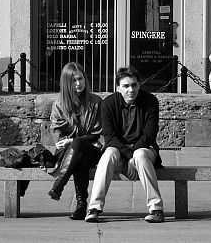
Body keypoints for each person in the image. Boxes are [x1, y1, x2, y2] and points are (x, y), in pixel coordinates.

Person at [85, 66, 164, 224]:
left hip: (144, 148)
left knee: (140, 155)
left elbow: (149, 136)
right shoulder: (108, 103)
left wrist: (133, 155)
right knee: (107, 155)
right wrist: (128, 156)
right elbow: (109, 137)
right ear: (118, 88)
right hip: (118, 149)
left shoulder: (150, 102)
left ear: (139, 85)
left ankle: (156, 208)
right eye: (126, 86)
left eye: (134, 85)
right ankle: (94, 208)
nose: (131, 90)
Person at [48, 61, 103, 219]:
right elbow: (58, 139)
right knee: (79, 155)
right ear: (66, 83)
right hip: (67, 155)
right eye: (74, 80)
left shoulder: (96, 102)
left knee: (78, 145)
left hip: (92, 151)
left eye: (81, 78)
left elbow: (96, 134)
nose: (79, 83)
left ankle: (59, 186)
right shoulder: (59, 105)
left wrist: (72, 140)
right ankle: (81, 205)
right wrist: (73, 143)